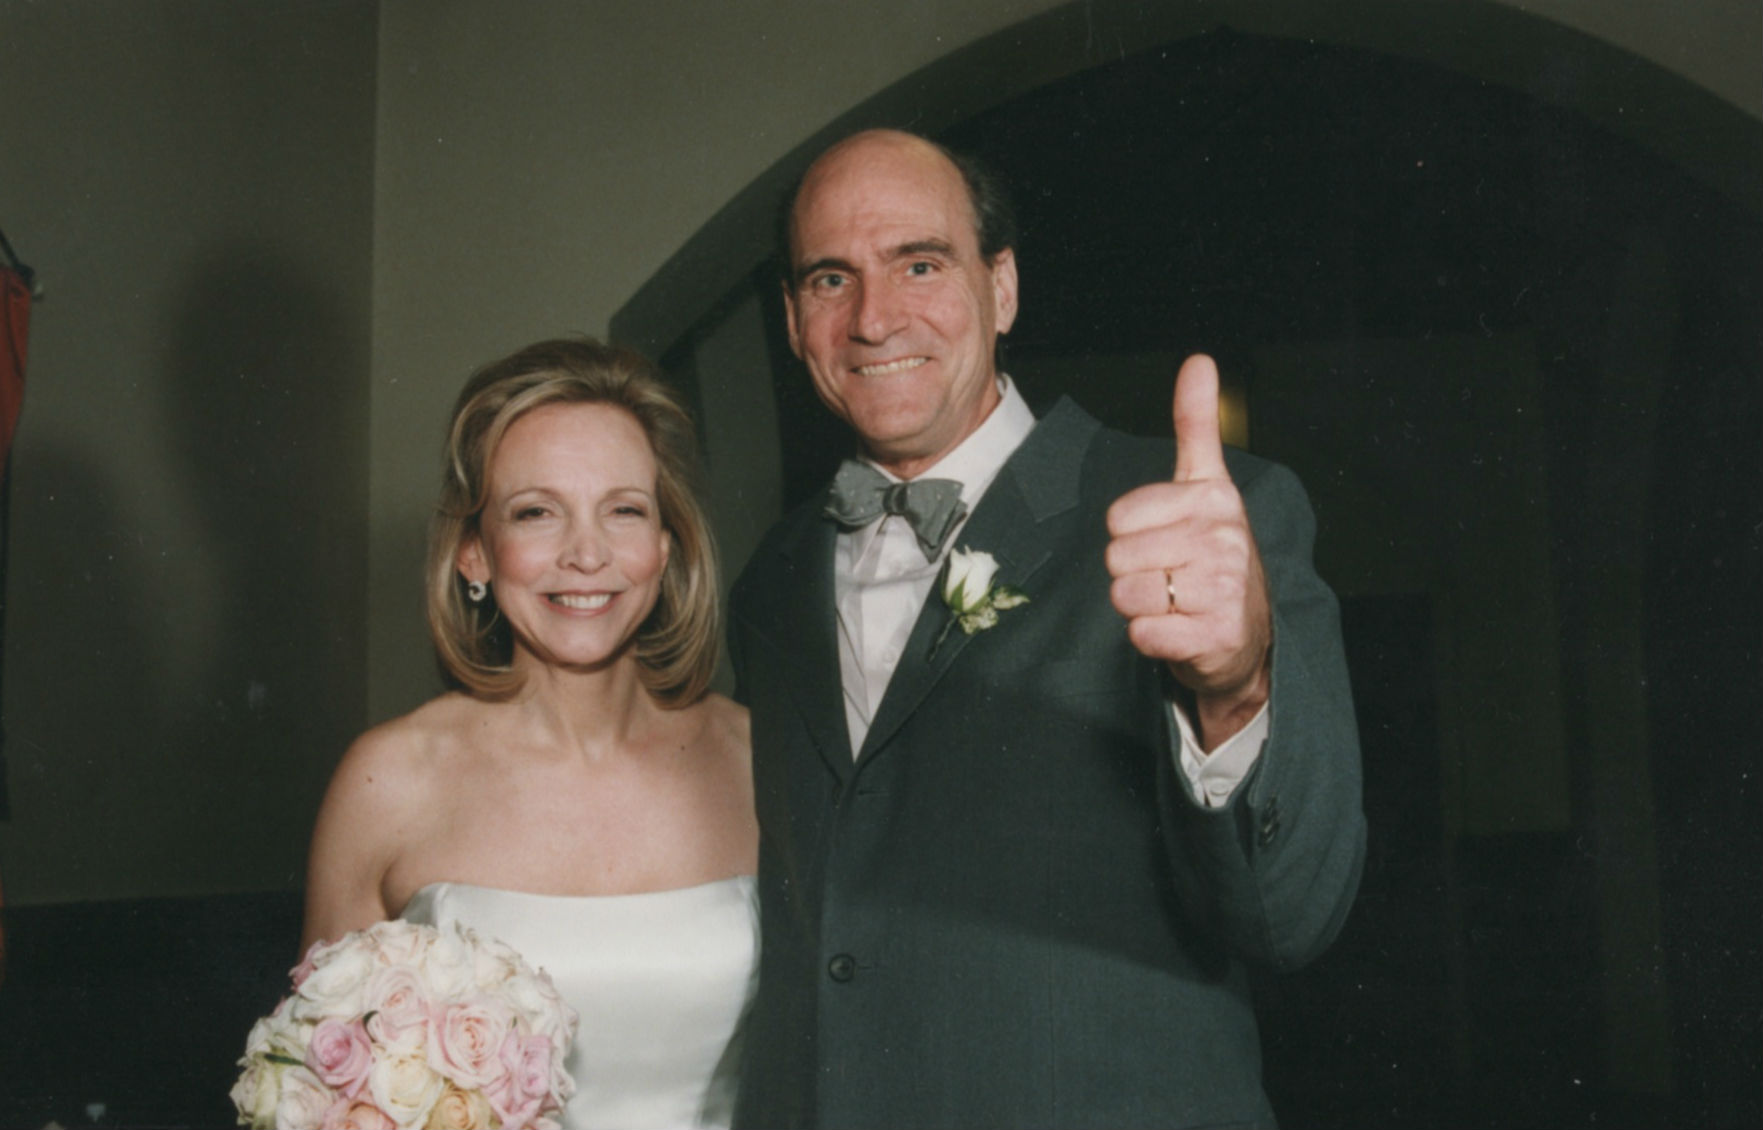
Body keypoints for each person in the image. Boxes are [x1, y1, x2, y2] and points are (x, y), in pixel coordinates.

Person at [728, 129, 1366, 1128]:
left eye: (919, 264)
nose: (873, 318)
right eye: (829, 279)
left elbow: (1289, 913)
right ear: (792, 318)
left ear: (1002, 287)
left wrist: (1235, 683)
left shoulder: (1202, 516)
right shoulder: (769, 578)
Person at [302, 338, 758, 1130]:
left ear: (665, 546)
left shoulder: (757, 757)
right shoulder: (388, 780)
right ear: (474, 553)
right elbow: (317, 1094)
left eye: (623, 509)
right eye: (536, 512)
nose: (585, 554)